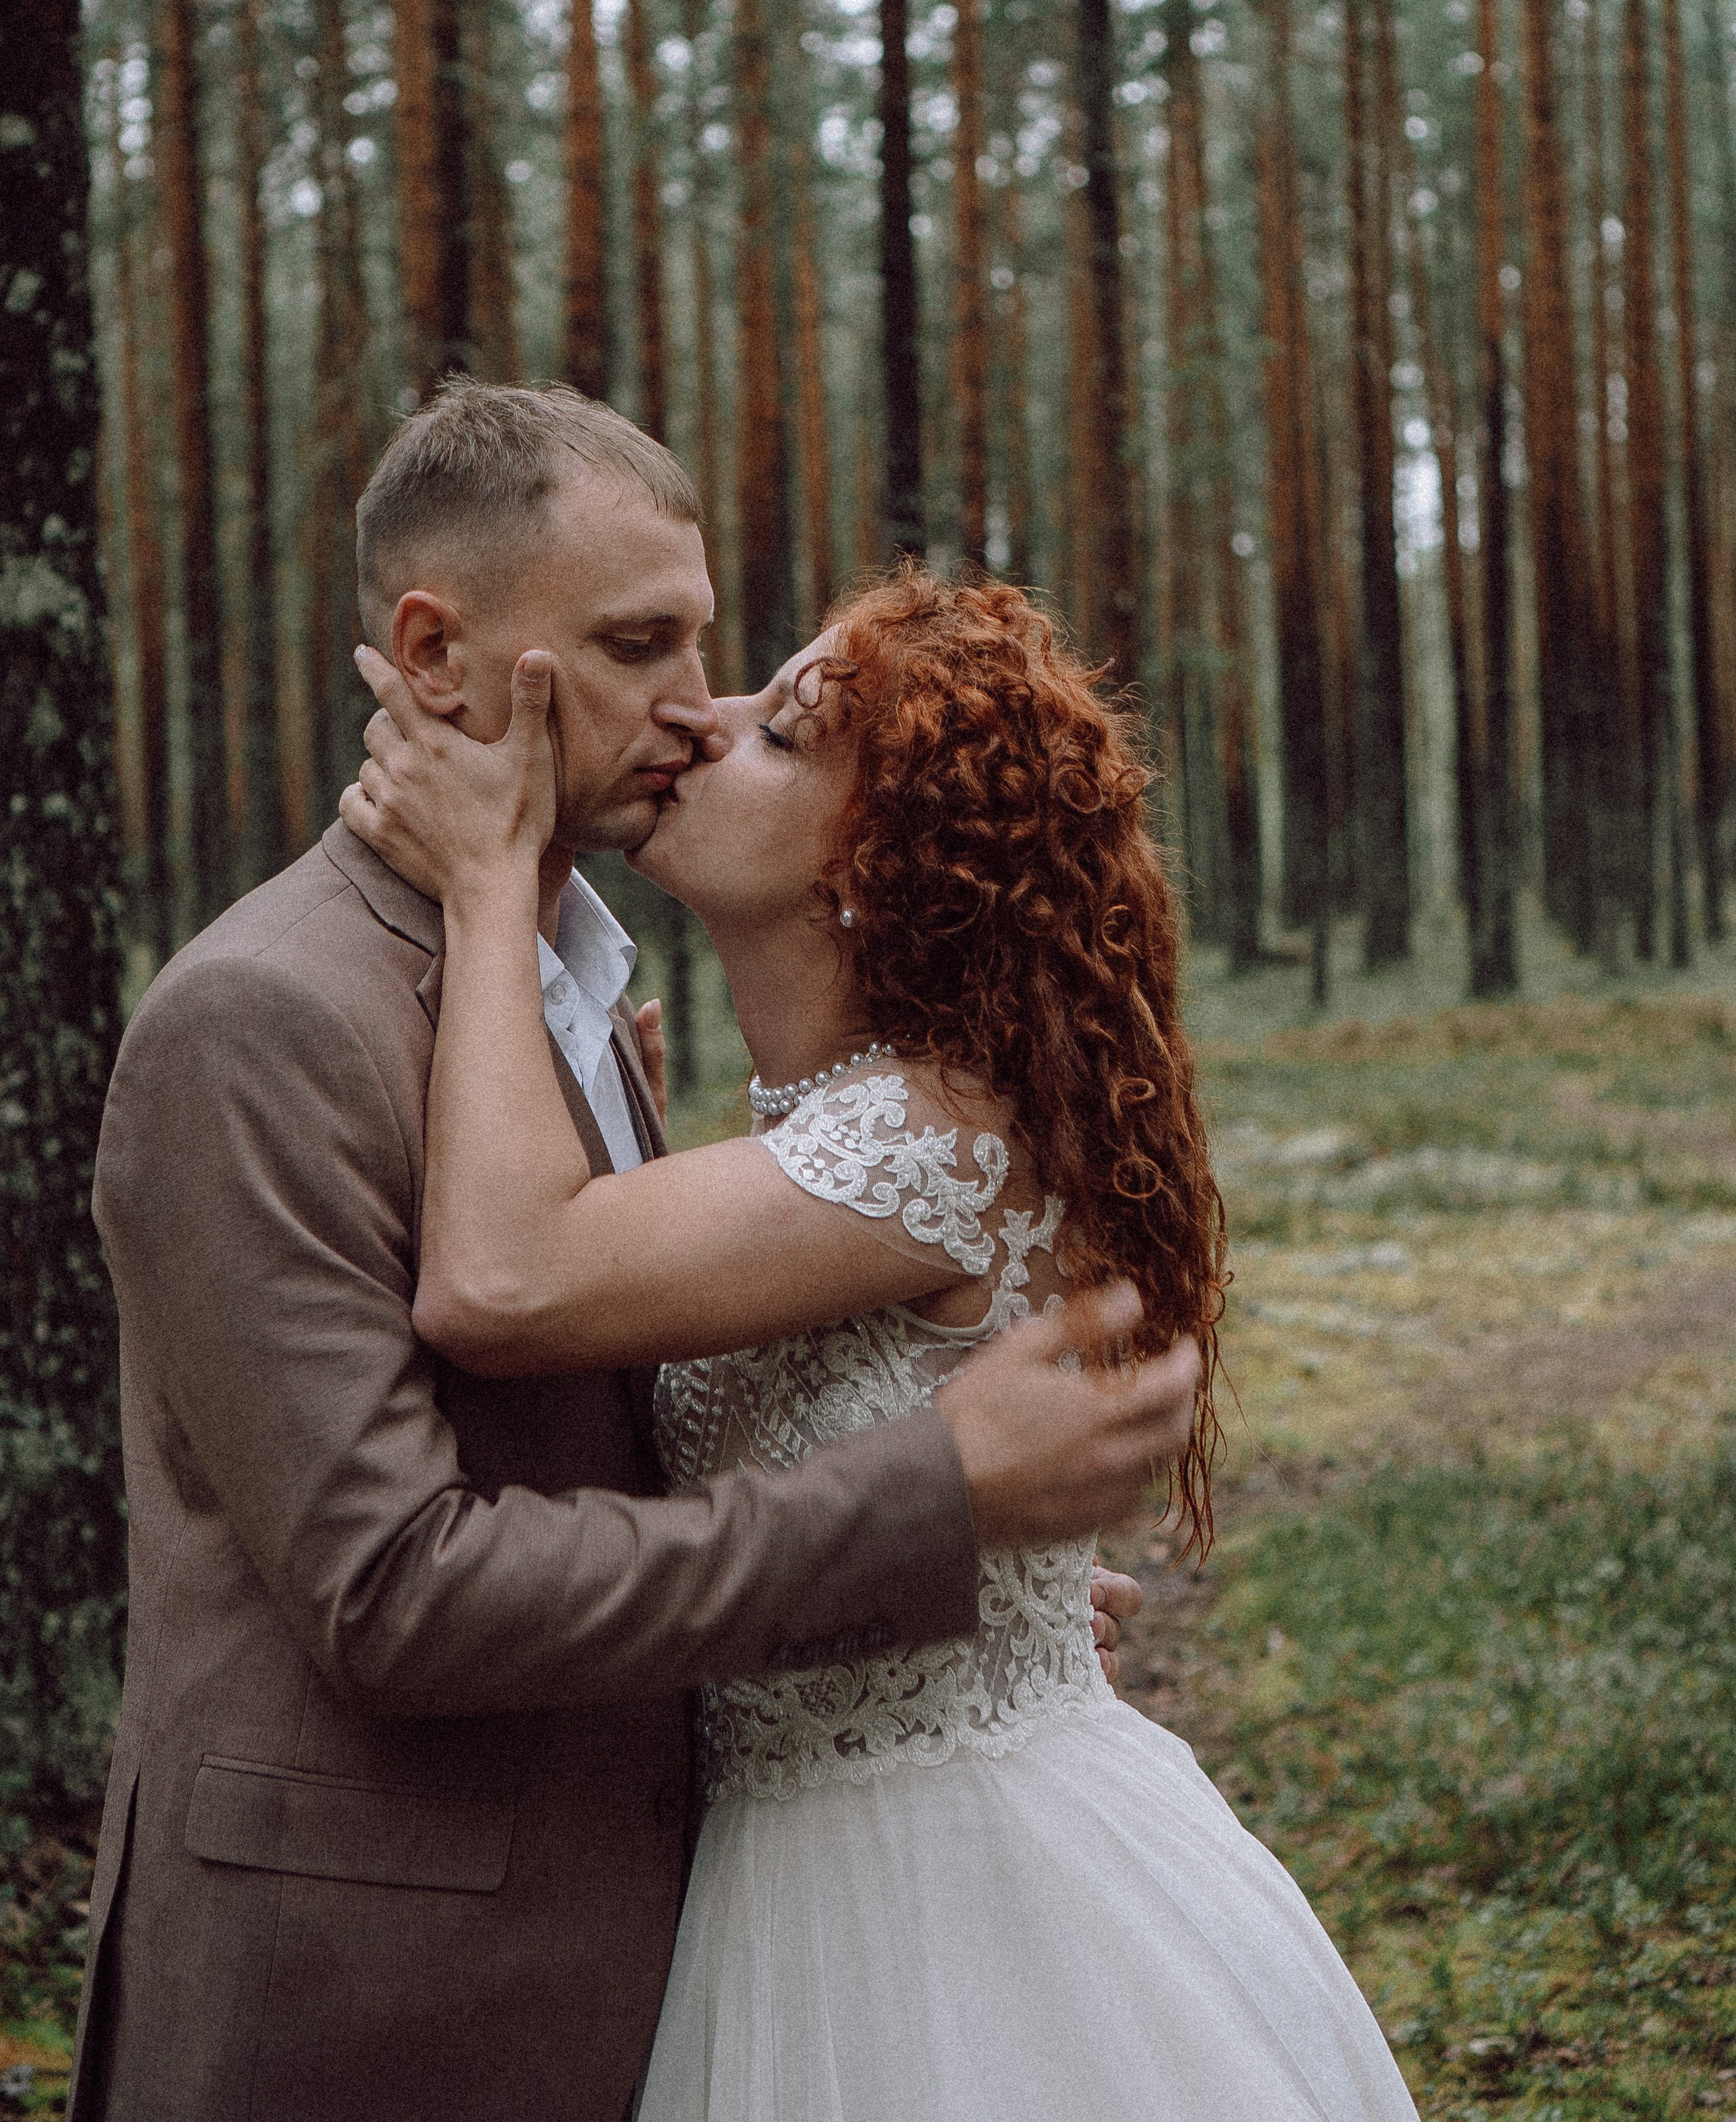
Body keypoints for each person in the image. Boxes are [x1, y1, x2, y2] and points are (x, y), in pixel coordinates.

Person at [70, 384, 1196, 2122]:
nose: (691, 706)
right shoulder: (260, 1021)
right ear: (433, 652)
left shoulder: (577, 989)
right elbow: (396, 1591)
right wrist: (924, 1519)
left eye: (711, 649)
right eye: (634, 644)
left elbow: (627, 1423)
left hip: (698, 1953)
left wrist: (961, 1625)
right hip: (372, 2010)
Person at [340, 557, 1420, 2120]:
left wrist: (491, 878)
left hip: (951, 1894)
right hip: (792, 1860)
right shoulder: (840, 1129)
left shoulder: (927, 1136)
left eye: (780, 734)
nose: (696, 725)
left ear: (877, 861)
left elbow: (500, 1284)